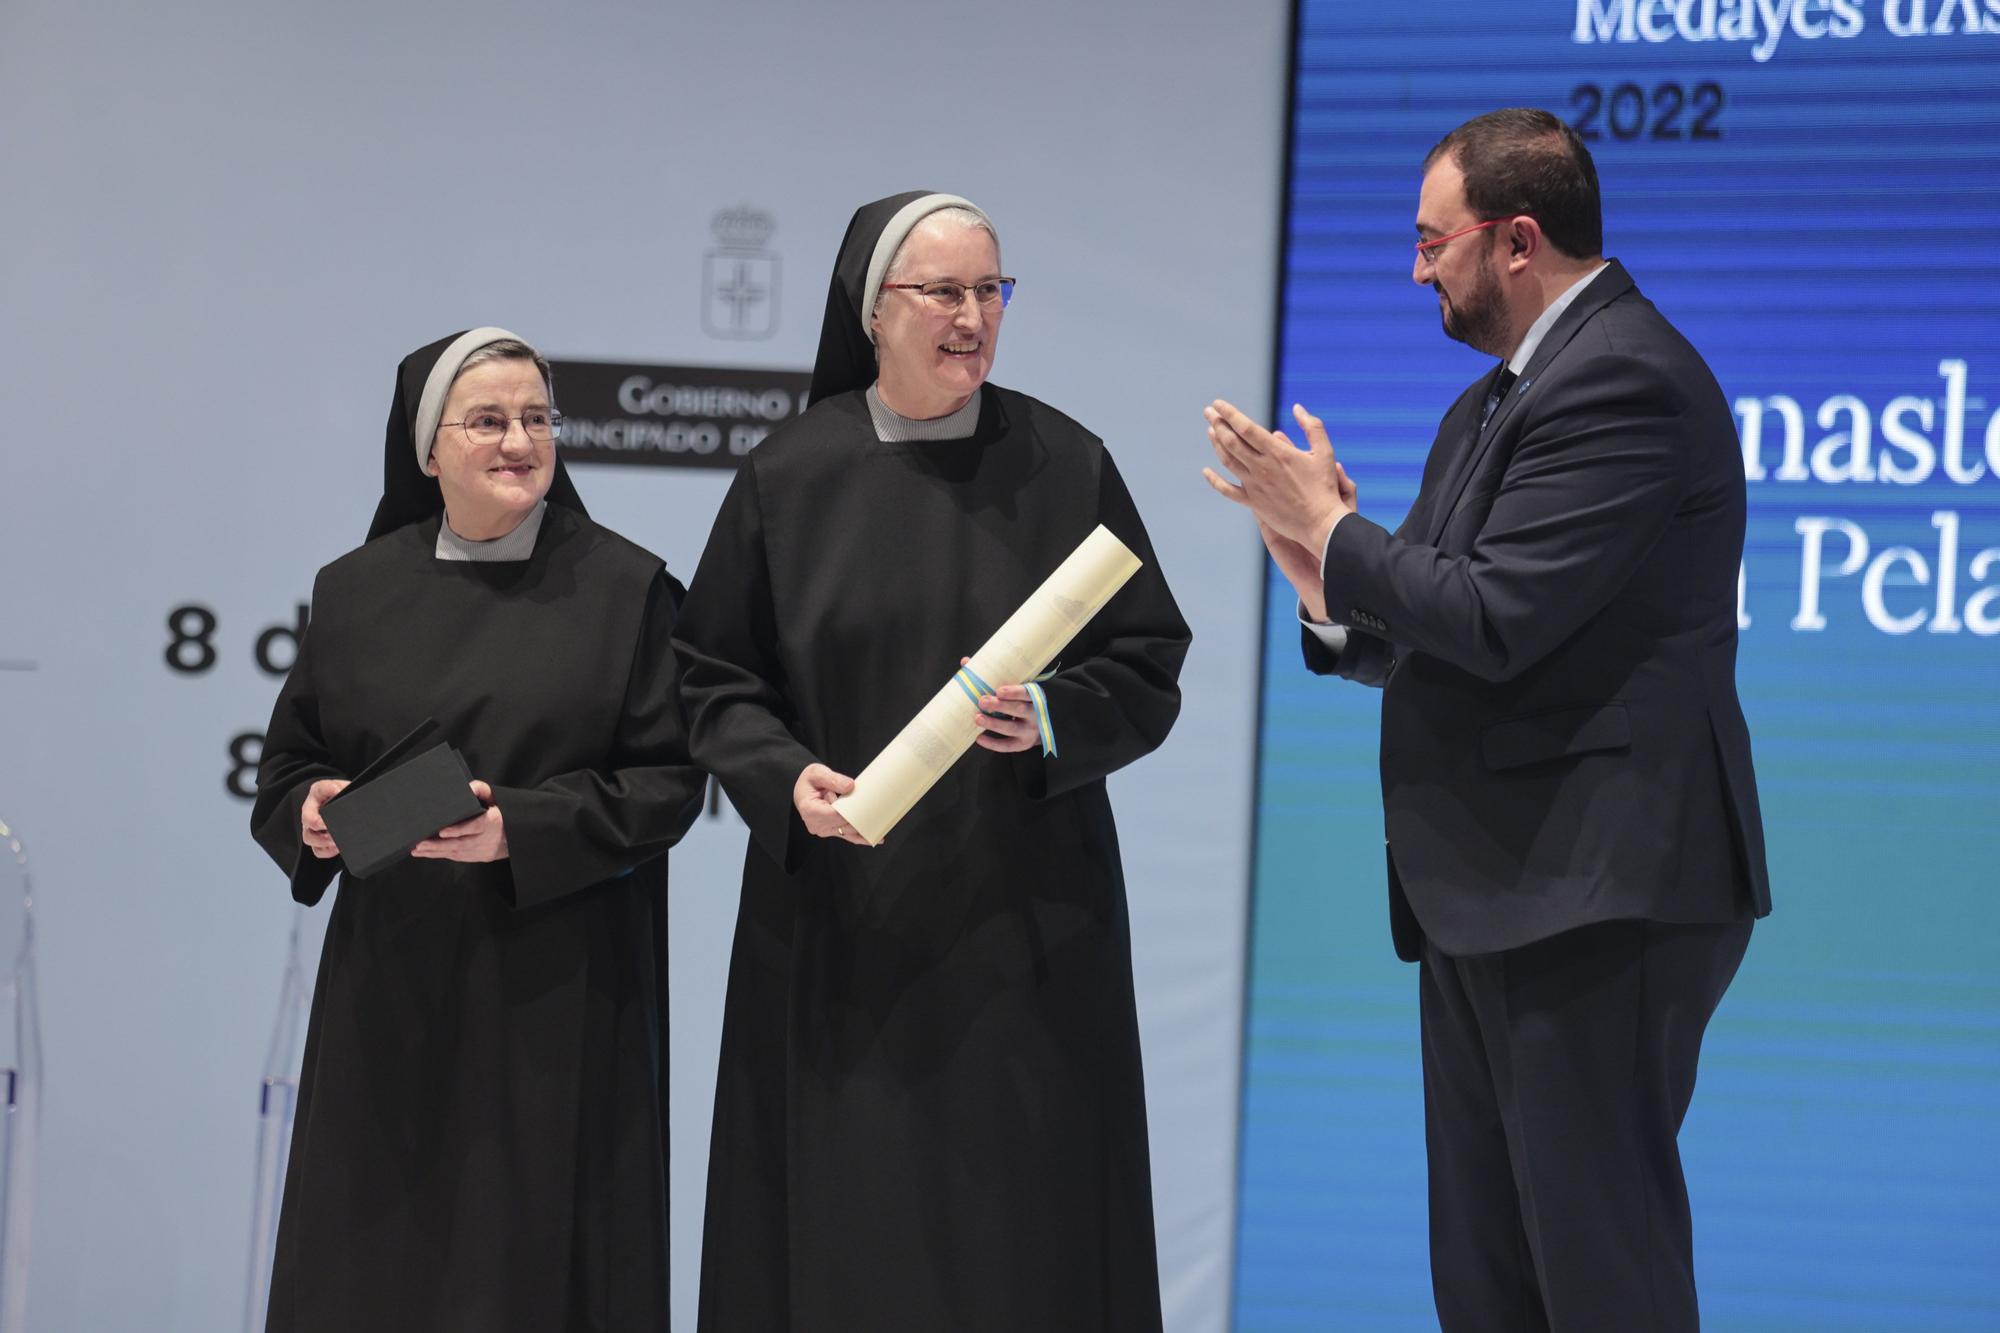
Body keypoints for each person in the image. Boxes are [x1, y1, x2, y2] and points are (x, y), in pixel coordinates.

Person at [1203, 110, 1771, 1331]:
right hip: (1491, 891)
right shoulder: (1487, 407)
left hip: (1594, 890)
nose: (1416, 268)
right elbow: (1430, 626)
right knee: (1487, 1277)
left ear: (1514, 240)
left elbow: (1498, 614)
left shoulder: (1622, 378)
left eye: (1430, 240)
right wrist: (1323, 579)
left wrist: (1340, 535)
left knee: (1593, 1271)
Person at [676, 192, 1190, 1331]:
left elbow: (1148, 663)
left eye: (988, 291)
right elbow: (711, 679)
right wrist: (782, 775)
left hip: (1026, 923)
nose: (971, 317)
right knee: (852, 1233)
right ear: (873, 311)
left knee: (1024, 1235)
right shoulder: (789, 475)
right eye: (941, 293)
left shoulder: (1067, 462)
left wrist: (1052, 715)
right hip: (840, 923)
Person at [249, 328, 705, 1332]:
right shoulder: (354, 591)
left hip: (563, 991)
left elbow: (670, 781)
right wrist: (312, 813)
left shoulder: (628, 589)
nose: (519, 441)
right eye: (488, 419)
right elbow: (283, 770)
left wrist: (522, 829)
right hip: (392, 995)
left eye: (537, 418)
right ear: (427, 449)